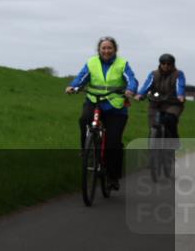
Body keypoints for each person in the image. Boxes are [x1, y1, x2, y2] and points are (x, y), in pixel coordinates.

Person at [64, 36, 139, 190]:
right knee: (84, 119)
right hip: (94, 100)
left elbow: (131, 78)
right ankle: (86, 149)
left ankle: (113, 177)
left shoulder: (122, 63)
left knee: (113, 143)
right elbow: (82, 77)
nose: (106, 51)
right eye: (103, 48)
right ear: (99, 50)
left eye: (109, 48)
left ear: (114, 50)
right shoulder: (91, 62)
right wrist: (73, 86)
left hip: (115, 106)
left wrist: (131, 89)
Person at [137, 53, 186, 144]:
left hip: (173, 103)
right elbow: (147, 85)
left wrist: (180, 95)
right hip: (155, 103)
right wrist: (140, 94)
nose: (166, 66)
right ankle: (152, 151)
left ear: (173, 64)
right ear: (160, 64)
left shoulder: (178, 74)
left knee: (170, 119)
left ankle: (174, 140)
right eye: (163, 63)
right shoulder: (154, 74)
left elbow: (180, 85)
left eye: (169, 64)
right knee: (153, 126)